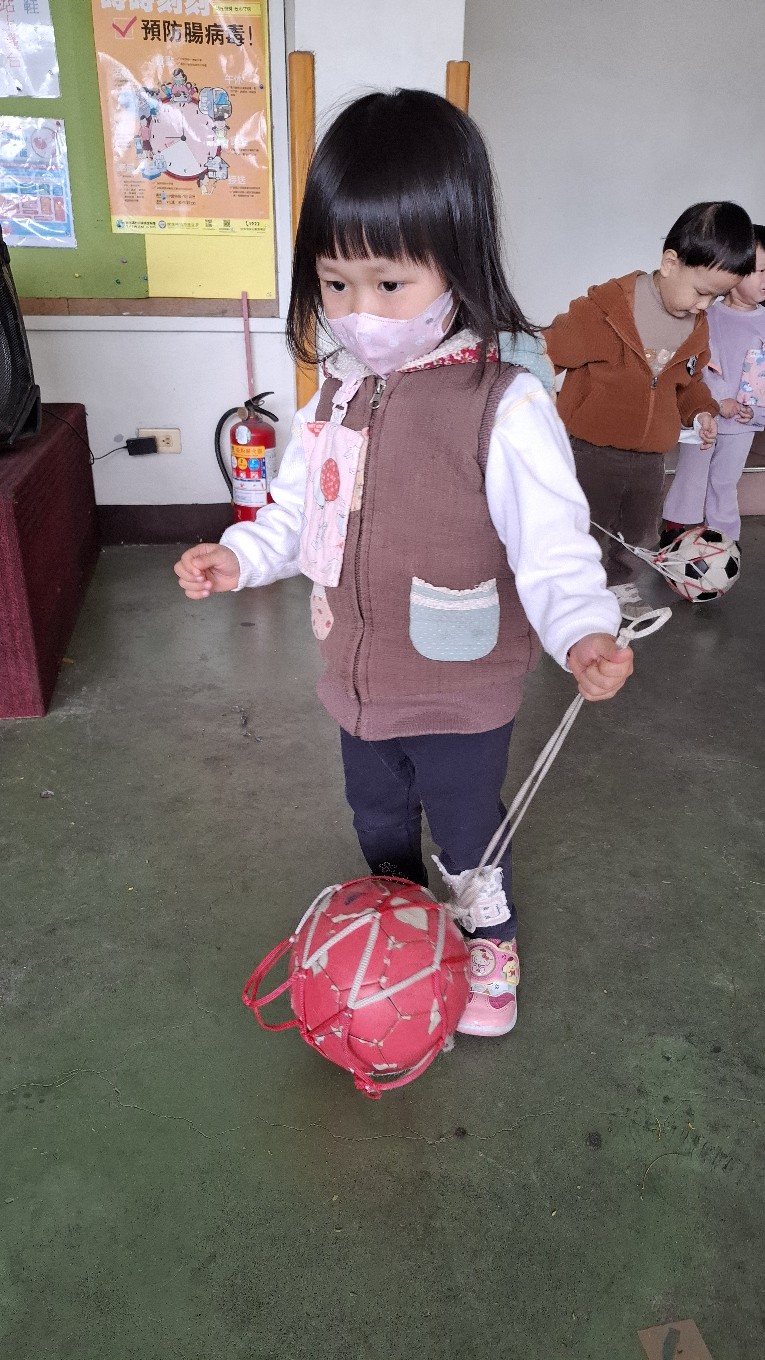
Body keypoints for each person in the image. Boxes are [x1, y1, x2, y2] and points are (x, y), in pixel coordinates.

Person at [174, 89, 633, 1039]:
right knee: (377, 822)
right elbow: (295, 511)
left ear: (456, 264)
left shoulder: (504, 404)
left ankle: (487, 949)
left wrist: (583, 630)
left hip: (460, 685)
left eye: (389, 284)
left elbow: (552, 547)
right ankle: (397, 936)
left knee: (465, 832)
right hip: (355, 679)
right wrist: (240, 555)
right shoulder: (332, 396)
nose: (359, 313)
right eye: (335, 284)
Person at [543, 202, 755, 619]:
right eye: (701, 291)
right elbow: (547, 351)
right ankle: (573, 591)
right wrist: (536, 394)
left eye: (716, 297)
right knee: (584, 526)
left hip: (649, 458)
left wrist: (701, 412)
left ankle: (620, 584)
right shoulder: (604, 312)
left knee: (637, 533)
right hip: (590, 449)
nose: (705, 306)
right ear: (670, 263)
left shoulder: (695, 327)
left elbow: (688, 383)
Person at [661, 223, 765, 546]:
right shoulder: (709, 315)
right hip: (705, 415)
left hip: (742, 424)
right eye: (760, 271)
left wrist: (756, 411)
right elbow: (702, 364)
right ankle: (678, 530)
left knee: (725, 481)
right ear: (734, 273)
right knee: (692, 474)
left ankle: (723, 539)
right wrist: (718, 400)